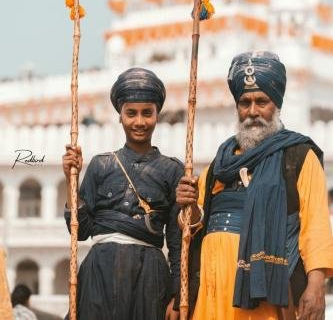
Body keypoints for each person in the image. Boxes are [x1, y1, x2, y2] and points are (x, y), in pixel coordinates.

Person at [176, 51, 333, 320]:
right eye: (244, 102)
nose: (252, 111)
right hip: (211, 292)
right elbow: (194, 223)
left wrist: (317, 285)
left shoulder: (297, 156)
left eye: (262, 101)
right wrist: (188, 204)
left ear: (277, 105)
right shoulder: (221, 162)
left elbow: (315, 226)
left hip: (265, 294)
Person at [63, 68, 183, 320]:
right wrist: (70, 180)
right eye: (131, 113)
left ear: (156, 115)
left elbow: (176, 239)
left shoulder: (172, 170)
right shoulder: (101, 165)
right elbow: (81, 230)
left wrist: (177, 295)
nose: (139, 122)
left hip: (149, 277)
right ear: (120, 116)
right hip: (100, 272)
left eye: (146, 113)